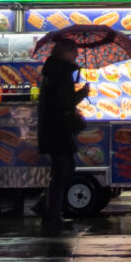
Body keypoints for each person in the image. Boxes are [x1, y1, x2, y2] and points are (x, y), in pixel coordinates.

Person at [33, 45, 87, 227]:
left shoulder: (54, 72)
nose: (77, 55)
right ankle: (51, 216)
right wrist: (82, 93)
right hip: (57, 131)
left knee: (64, 168)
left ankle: (46, 207)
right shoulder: (62, 74)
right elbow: (64, 103)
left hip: (52, 129)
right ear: (65, 53)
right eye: (74, 51)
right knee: (62, 170)